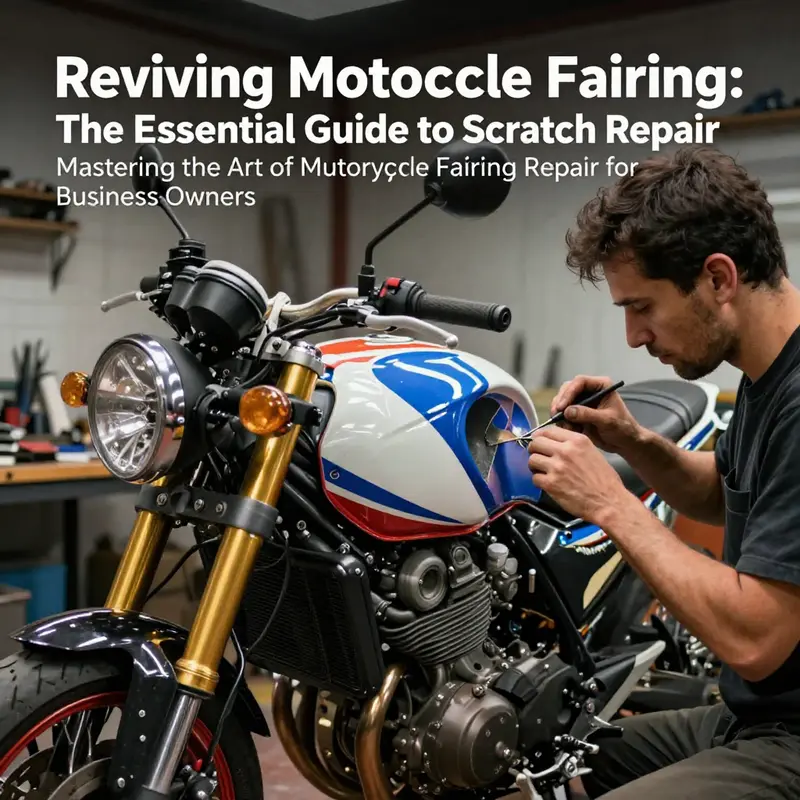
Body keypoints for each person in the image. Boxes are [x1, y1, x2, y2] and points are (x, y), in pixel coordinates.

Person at [528, 145, 800, 798]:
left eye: (642, 307)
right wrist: (635, 442)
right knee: (534, 757)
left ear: (718, 279)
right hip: (754, 718)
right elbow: (724, 492)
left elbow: (756, 637)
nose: (631, 337)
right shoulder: (769, 378)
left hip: (791, 736)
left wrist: (610, 504)